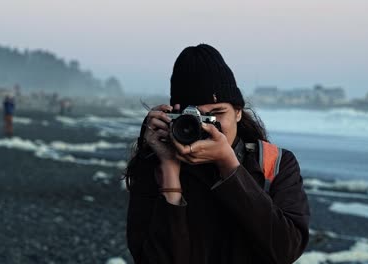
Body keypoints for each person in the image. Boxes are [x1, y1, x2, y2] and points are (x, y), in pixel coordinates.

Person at [125, 44, 310, 264]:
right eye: (196, 117)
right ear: (174, 117)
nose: (207, 126)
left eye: (217, 114)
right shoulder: (154, 166)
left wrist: (230, 166)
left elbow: (285, 250)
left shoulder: (273, 163)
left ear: (238, 112)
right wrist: (169, 173)